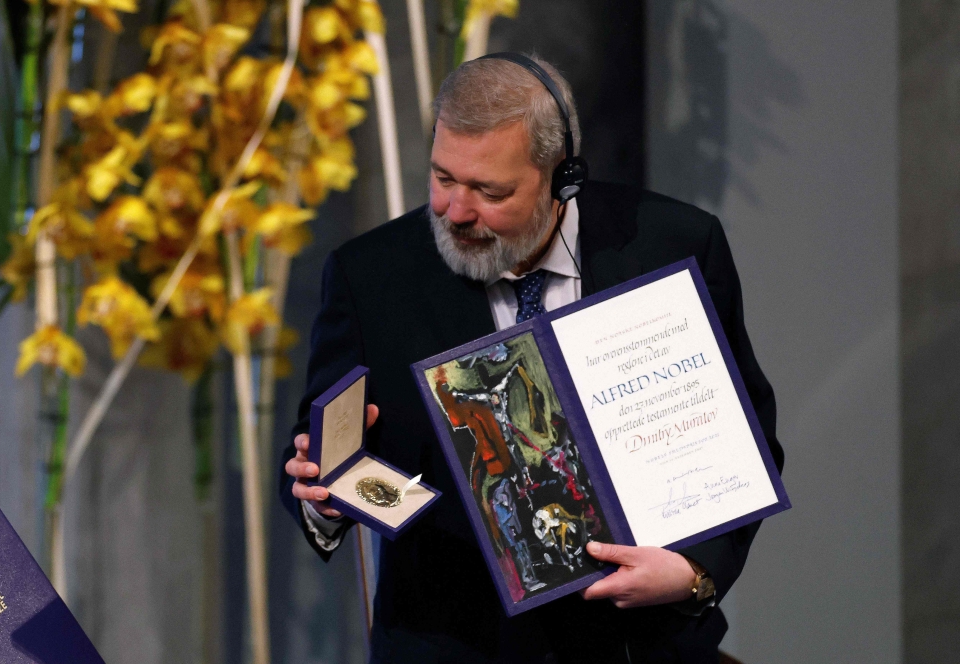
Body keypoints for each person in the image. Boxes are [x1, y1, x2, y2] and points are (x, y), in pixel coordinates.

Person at [280, 53, 784, 664]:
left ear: (559, 178)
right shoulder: (371, 277)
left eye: (490, 191)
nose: (456, 211)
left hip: (638, 647)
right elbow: (316, 450)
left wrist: (693, 571)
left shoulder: (673, 243)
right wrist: (321, 493)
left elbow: (742, 433)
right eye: (442, 178)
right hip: (454, 648)